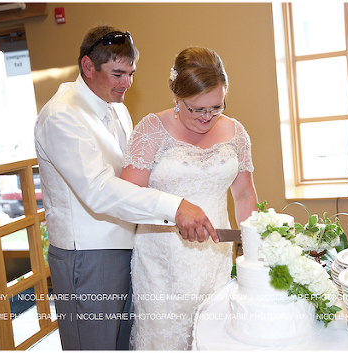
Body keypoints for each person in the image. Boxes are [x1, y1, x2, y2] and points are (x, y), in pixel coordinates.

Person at [34, 27, 217, 350]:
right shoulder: (62, 116)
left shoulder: (117, 107)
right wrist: (173, 207)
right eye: (118, 73)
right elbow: (99, 190)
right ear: (88, 67)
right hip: (87, 256)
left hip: (129, 248)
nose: (127, 84)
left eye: (131, 74)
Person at [120, 47, 259, 350]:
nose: (207, 117)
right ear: (177, 96)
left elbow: (245, 193)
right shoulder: (151, 130)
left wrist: (255, 245)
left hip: (215, 255)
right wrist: (173, 211)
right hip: (163, 261)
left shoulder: (236, 133)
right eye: (197, 109)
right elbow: (127, 198)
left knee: (215, 336)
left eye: (216, 107)